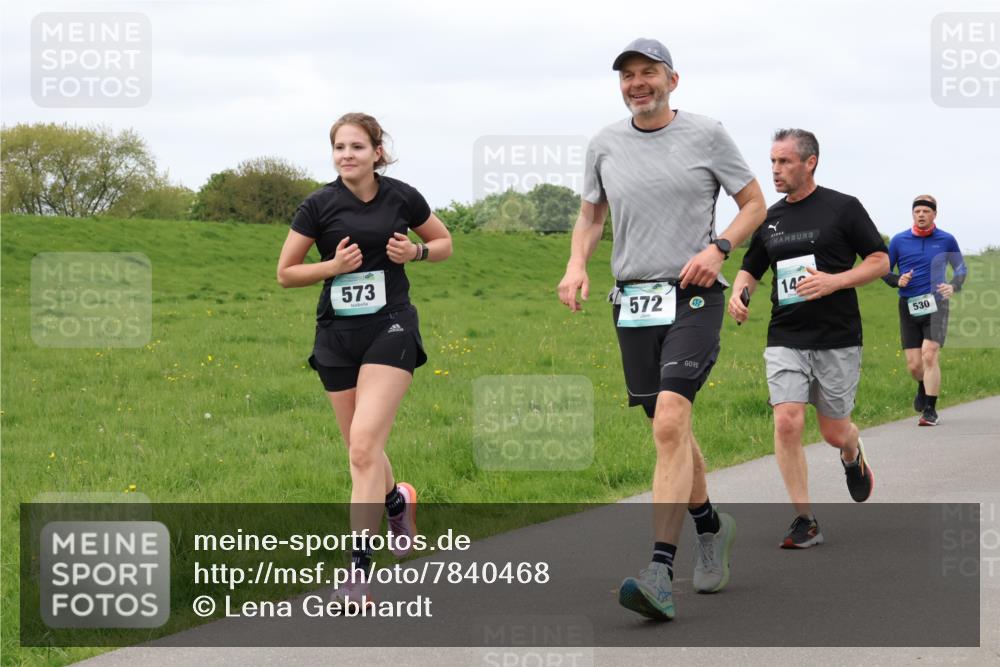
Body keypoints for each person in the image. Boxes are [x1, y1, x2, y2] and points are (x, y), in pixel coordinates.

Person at [558, 38, 766, 621]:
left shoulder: (706, 134)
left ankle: (658, 572)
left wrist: (720, 248)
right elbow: (591, 215)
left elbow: (754, 203)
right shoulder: (604, 143)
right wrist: (577, 263)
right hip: (633, 301)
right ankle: (710, 526)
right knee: (668, 432)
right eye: (627, 75)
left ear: (673, 79)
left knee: (672, 419)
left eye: (648, 72)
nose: (637, 83)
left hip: (694, 295)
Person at [277, 112, 452, 606]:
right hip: (336, 334)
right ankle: (397, 500)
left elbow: (444, 243)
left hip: (390, 327)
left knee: (361, 448)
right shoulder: (318, 205)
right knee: (364, 451)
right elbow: (286, 273)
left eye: (357, 146)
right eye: (339, 148)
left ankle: (357, 573)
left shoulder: (402, 197)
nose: (347, 155)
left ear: (377, 151)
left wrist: (414, 254)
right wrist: (331, 267)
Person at [728, 128, 888, 549]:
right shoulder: (770, 217)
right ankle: (805, 519)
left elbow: (879, 259)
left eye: (784, 162)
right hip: (786, 335)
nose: (776, 170)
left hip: (837, 337)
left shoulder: (843, 208)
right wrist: (739, 294)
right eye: (773, 162)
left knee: (834, 432)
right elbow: (751, 269)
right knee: (787, 420)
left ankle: (851, 452)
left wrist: (835, 282)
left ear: (810, 162)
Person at [882, 195, 967, 426]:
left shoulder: (946, 240)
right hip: (909, 305)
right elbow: (883, 270)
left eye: (926, 211)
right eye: (917, 211)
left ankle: (930, 410)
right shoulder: (899, 240)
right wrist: (897, 280)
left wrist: (953, 285)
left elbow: (961, 268)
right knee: (914, 365)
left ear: (934, 214)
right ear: (912, 214)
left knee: (929, 354)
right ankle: (922, 386)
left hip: (937, 303)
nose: (921, 214)